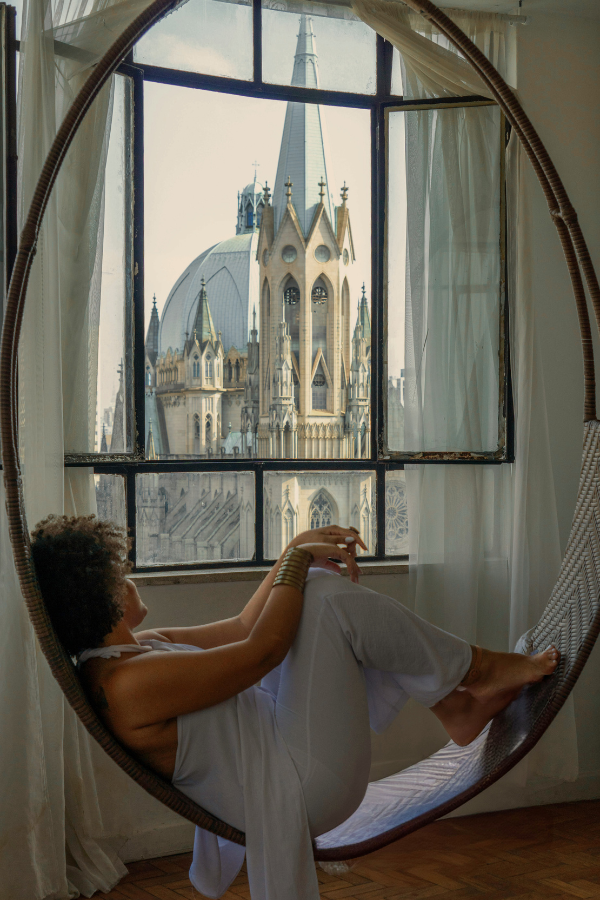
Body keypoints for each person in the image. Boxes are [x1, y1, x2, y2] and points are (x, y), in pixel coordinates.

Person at [31, 515, 559, 900]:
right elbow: (261, 652)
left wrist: (293, 553)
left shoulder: (137, 651)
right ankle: (480, 670)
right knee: (324, 600)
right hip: (301, 787)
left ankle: (455, 705)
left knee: (316, 591)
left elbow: (242, 628)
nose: (130, 578)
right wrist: (298, 565)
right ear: (102, 595)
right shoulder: (127, 684)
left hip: (288, 755)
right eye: (120, 571)